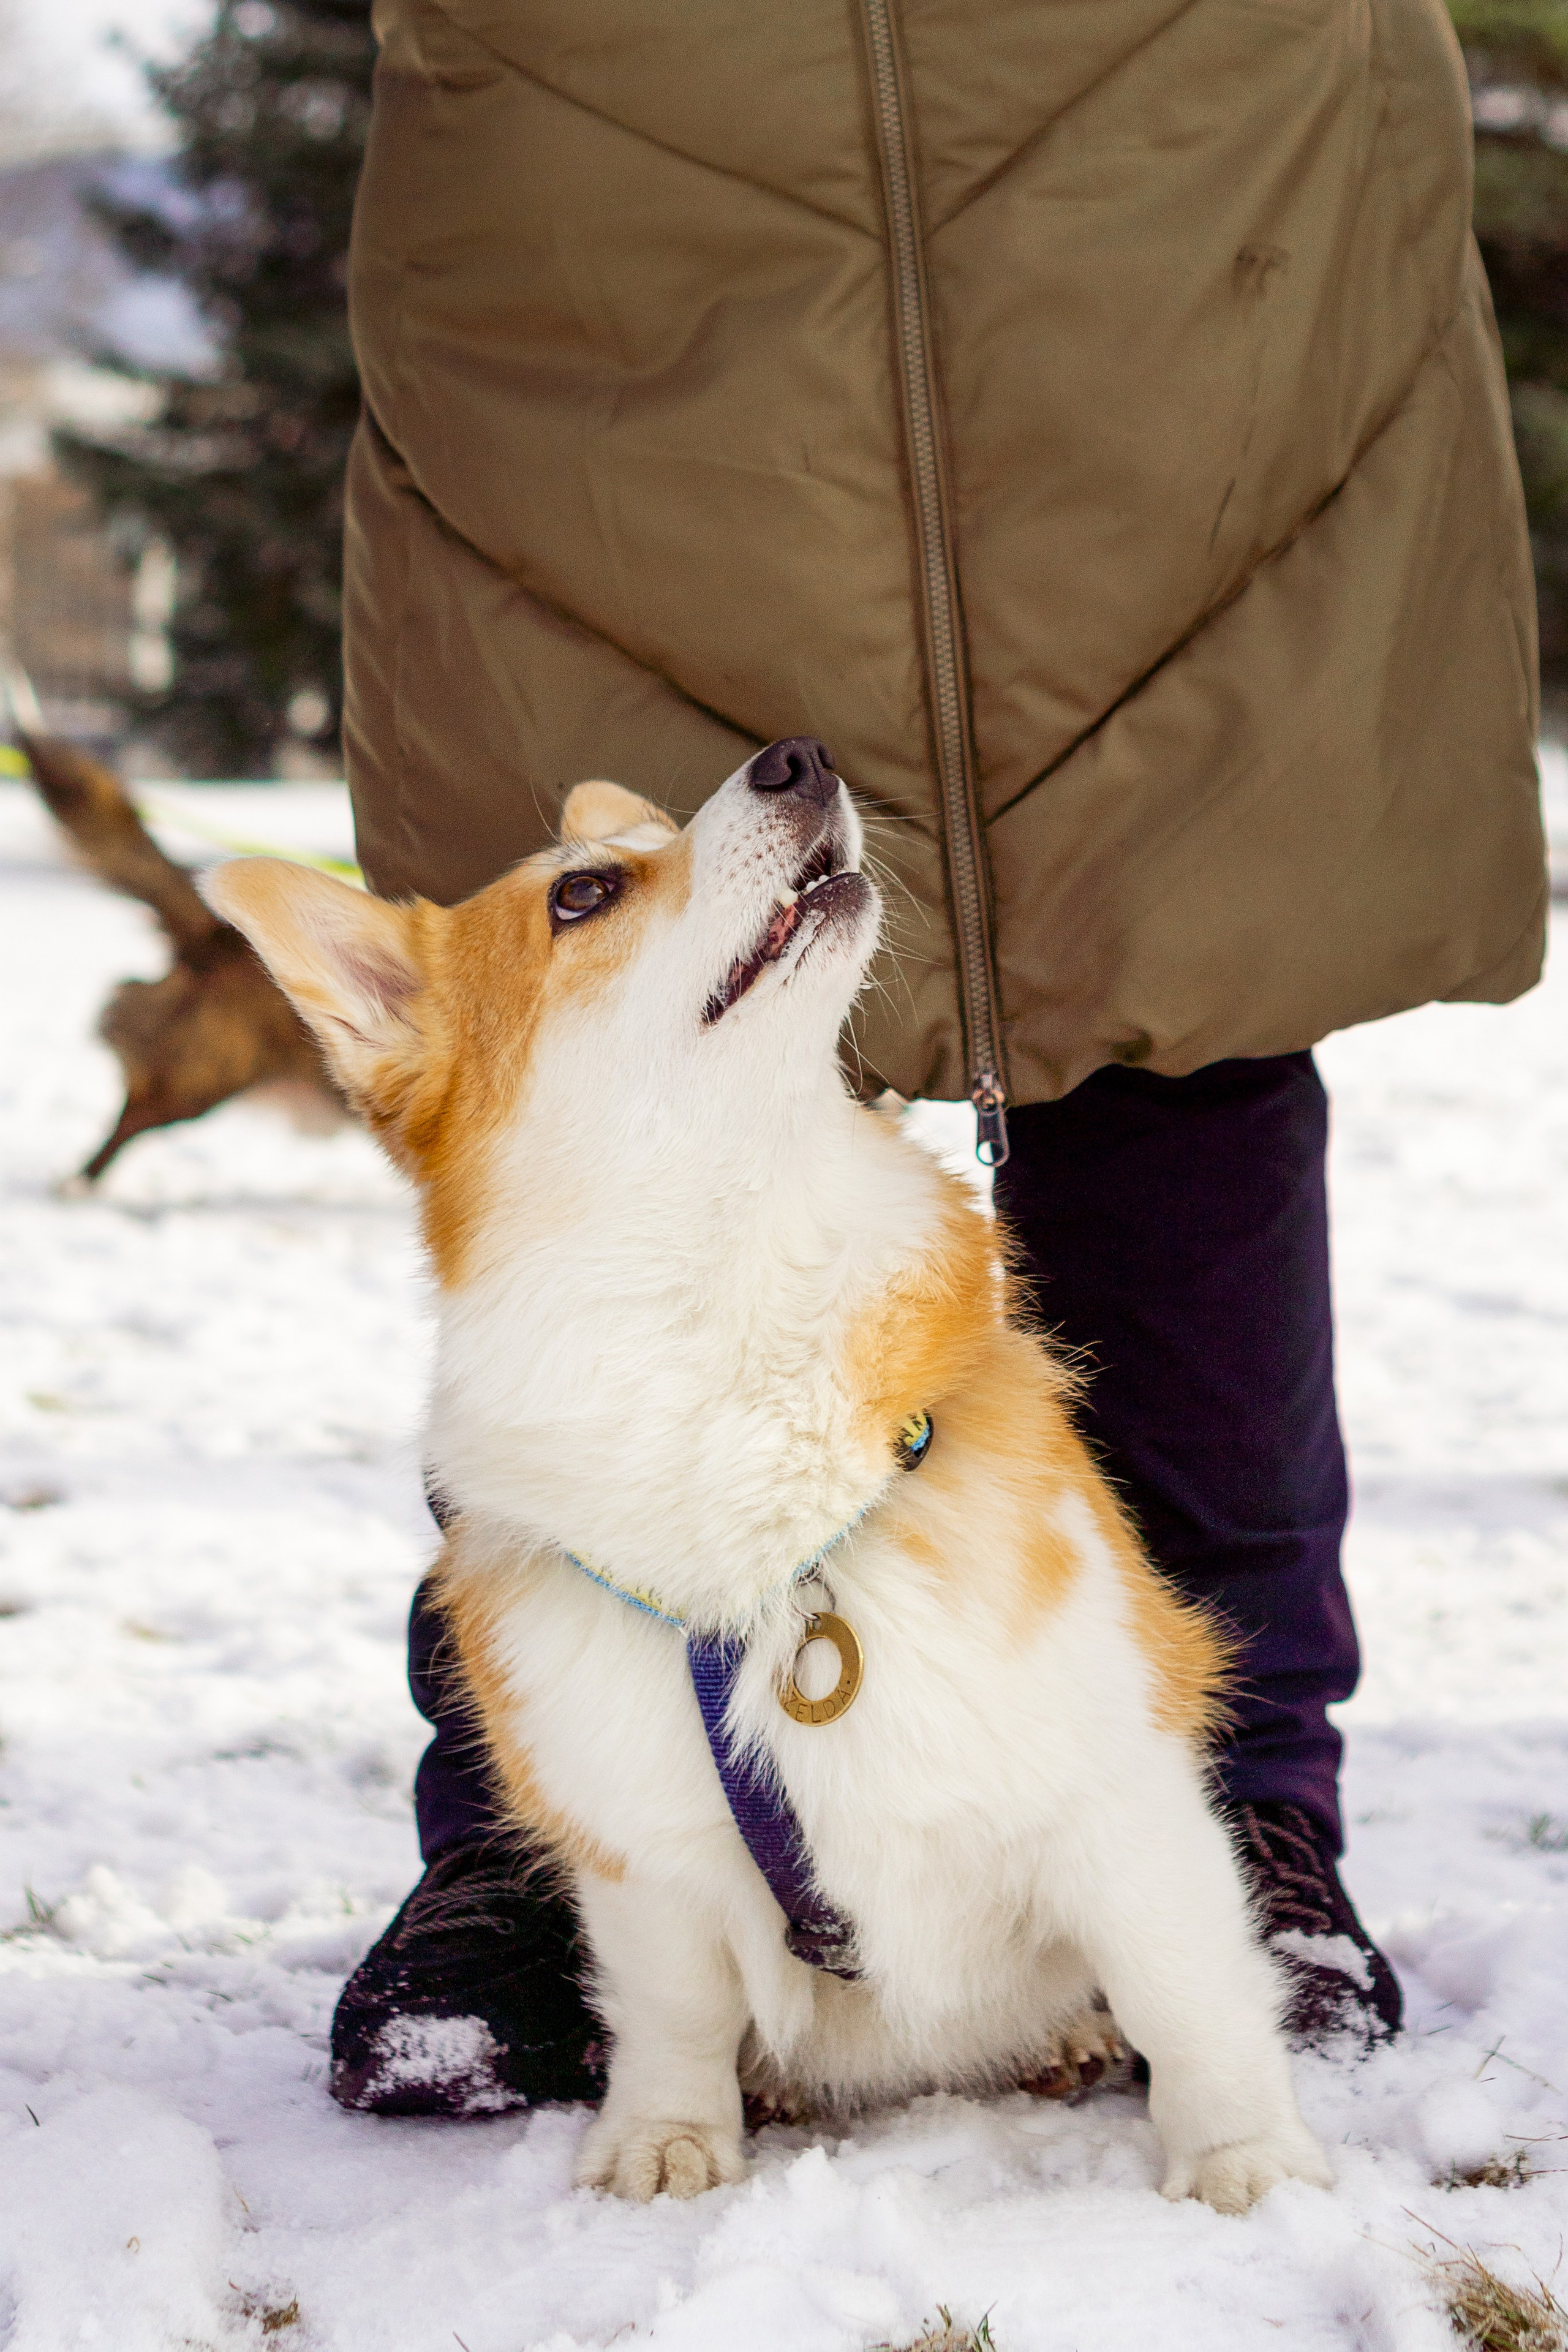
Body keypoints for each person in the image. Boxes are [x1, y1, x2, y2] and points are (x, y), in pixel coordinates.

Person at [326, 0, 1549, 2117]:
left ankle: (1216, 1794)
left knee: (1192, 1003)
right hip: (617, 212)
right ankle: (559, 1842)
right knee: (596, 1081)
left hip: (1192, 189)